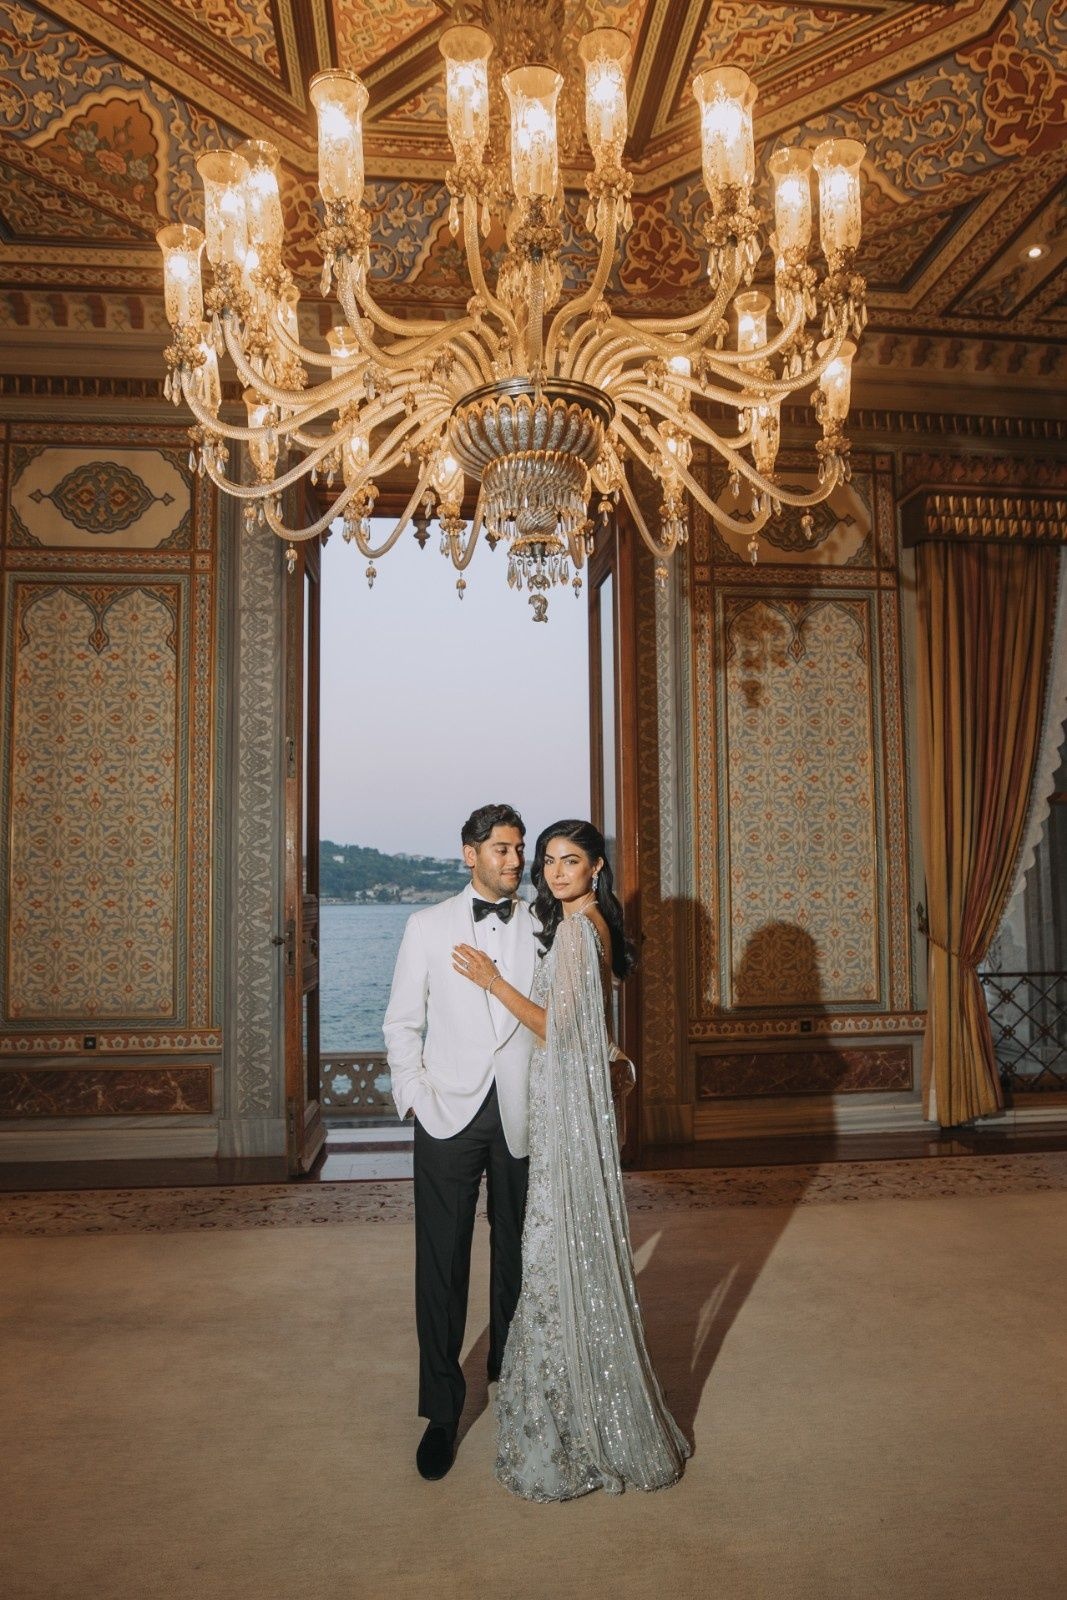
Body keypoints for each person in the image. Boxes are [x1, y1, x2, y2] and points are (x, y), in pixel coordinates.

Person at [452, 819, 690, 1501]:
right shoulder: (584, 928)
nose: (555, 872)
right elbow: (588, 1029)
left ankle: (588, 1414)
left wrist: (494, 982)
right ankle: (587, 1393)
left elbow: (558, 1028)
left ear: (597, 870)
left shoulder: (581, 932)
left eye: (571, 861)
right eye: (548, 860)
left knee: (561, 1244)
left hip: (565, 1108)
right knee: (568, 1244)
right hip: (568, 1101)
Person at [383, 803, 539, 1483]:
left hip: (522, 1112)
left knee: (519, 1254)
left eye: (519, 849)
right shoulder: (425, 927)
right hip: (445, 1111)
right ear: (468, 853)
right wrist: (415, 1095)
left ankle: (511, 1386)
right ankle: (442, 1413)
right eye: (502, 849)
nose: (515, 861)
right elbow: (400, 1023)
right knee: (440, 1265)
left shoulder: (543, 924)